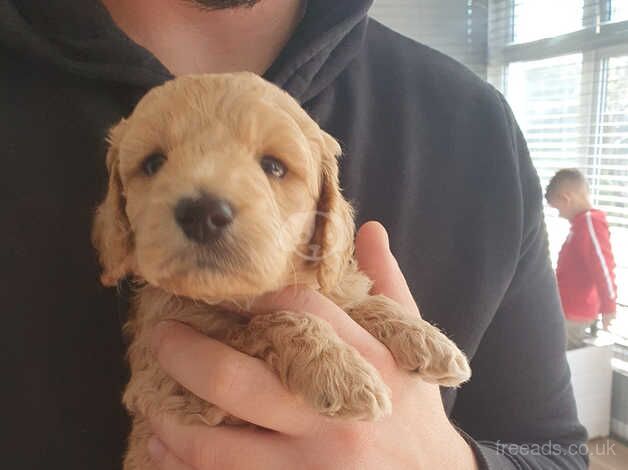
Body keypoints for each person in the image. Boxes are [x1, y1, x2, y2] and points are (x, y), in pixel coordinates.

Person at [1, 0, 587, 469]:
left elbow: (558, 456)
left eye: (274, 166)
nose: (208, 206)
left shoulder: (474, 123)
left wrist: (451, 464)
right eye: (153, 164)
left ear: (328, 209)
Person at [546, 169, 618, 349]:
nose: (560, 215)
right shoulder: (580, 225)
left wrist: (609, 307)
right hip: (567, 309)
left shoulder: (589, 223)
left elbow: (603, 266)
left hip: (574, 312)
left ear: (566, 198)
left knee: (558, 358)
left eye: (558, 209)